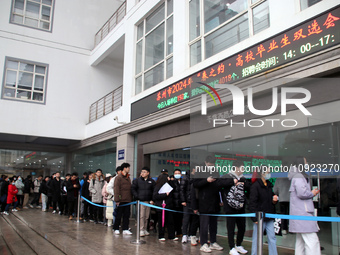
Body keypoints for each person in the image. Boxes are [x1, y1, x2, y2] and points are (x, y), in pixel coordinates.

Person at [288, 157, 321, 255]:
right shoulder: (298, 176)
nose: (307, 164)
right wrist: (312, 193)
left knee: (300, 242)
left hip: (299, 213)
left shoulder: (296, 176)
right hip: (303, 213)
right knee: (312, 240)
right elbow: (302, 193)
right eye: (306, 162)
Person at [193, 155, 224, 253]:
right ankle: (203, 243)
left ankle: (213, 242)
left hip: (214, 201)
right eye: (210, 165)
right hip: (204, 201)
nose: (211, 166)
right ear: (206, 162)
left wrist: (220, 199)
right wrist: (206, 180)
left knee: (213, 224)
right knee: (204, 225)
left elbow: (219, 185)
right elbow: (195, 184)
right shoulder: (199, 170)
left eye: (213, 165)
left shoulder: (215, 170)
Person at [221, 160, 251, 255]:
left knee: (242, 227)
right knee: (231, 228)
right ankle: (231, 247)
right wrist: (232, 182)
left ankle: (238, 245)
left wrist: (244, 184)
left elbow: (249, 188)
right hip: (230, 207)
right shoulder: (227, 176)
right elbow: (219, 184)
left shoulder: (243, 178)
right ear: (236, 168)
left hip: (241, 207)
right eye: (242, 167)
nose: (243, 169)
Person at [249, 166, 278, 255]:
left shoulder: (269, 185)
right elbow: (252, 203)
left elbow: (271, 198)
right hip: (260, 218)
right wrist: (255, 218)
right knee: (257, 238)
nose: (269, 174)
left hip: (269, 216)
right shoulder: (256, 186)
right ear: (262, 173)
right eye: (268, 172)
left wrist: (274, 200)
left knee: (272, 237)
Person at [153, 171, 178, 241]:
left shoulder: (169, 185)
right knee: (161, 222)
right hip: (161, 207)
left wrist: (171, 181)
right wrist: (164, 195)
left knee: (170, 221)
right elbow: (155, 196)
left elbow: (174, 188)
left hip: (169, 206)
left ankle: (171, 236)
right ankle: (161, 235)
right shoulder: (158, 186)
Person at [131, 166, 155, 237]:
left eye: (144, 172)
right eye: (142, 172)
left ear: (148, 173)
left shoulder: (151, 181)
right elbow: (133, 189)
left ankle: (145, 228)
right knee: (141, 216)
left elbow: (154, 191)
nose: (143, 173)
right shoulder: (137, 181)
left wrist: (152, 199)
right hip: (140, 201)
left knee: (147, 216)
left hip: (148, 201)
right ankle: (141, 229)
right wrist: (137, 196)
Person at [180, 165, 200, 245]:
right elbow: (182, 189)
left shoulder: (198, 177)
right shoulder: (186, 177)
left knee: (194, 219)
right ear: (193, 169)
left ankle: (191, 234)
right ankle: (184, 235)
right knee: (186, 219)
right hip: (187, 201)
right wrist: (183, 200)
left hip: (195, 201)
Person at [113, 163, 133, 235]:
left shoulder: (128, 177)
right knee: (119, 215)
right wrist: (117, 199)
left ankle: (125, 228)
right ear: (124, 168)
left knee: (127, 215)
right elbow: (116, 189)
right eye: (128, 168)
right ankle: (116, 228)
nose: (129, 169)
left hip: (128, 199)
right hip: (121, 200)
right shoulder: (118, 178)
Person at [273, 170, 291, 235]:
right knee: (290, 214)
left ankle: (284, 229)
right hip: (290, 199)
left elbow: (275, 190)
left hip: (282, 199)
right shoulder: (290, 179)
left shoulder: (278, 179)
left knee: (283, 214)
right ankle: (291, 229)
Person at [171, 169, 184, 237]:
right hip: (174, 203)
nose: (177, 174)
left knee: (180, 218)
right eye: (176, 173)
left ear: (181, 174)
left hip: (181, 203)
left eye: (178, 173)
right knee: (174, 218)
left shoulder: (183, 181)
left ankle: (179, 231)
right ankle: (175, 231)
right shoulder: (172, 182)